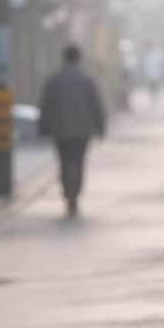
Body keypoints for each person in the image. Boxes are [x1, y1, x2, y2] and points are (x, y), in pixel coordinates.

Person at [39, 43, 105, 217]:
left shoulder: (54, 79)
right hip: (82, 130)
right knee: (78, 161)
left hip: (60, 130)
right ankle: (75, 194)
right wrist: (100, 127)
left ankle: (67, 194)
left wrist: (43, 128)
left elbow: (46, 106)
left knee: (64, 162)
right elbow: (95, 105)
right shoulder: (87, 79)